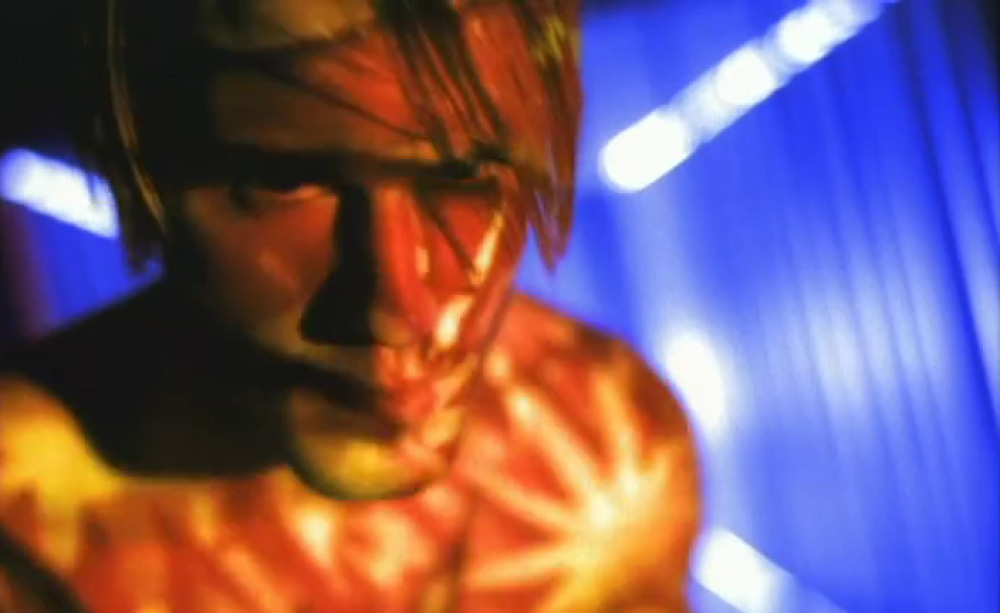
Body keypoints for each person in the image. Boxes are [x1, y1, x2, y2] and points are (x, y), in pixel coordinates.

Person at [0, 1, 702, 611]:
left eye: (464, 174)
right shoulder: (19, 524)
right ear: (143, 162)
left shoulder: (605, 446)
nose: (395, 307)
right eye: (282, 181)